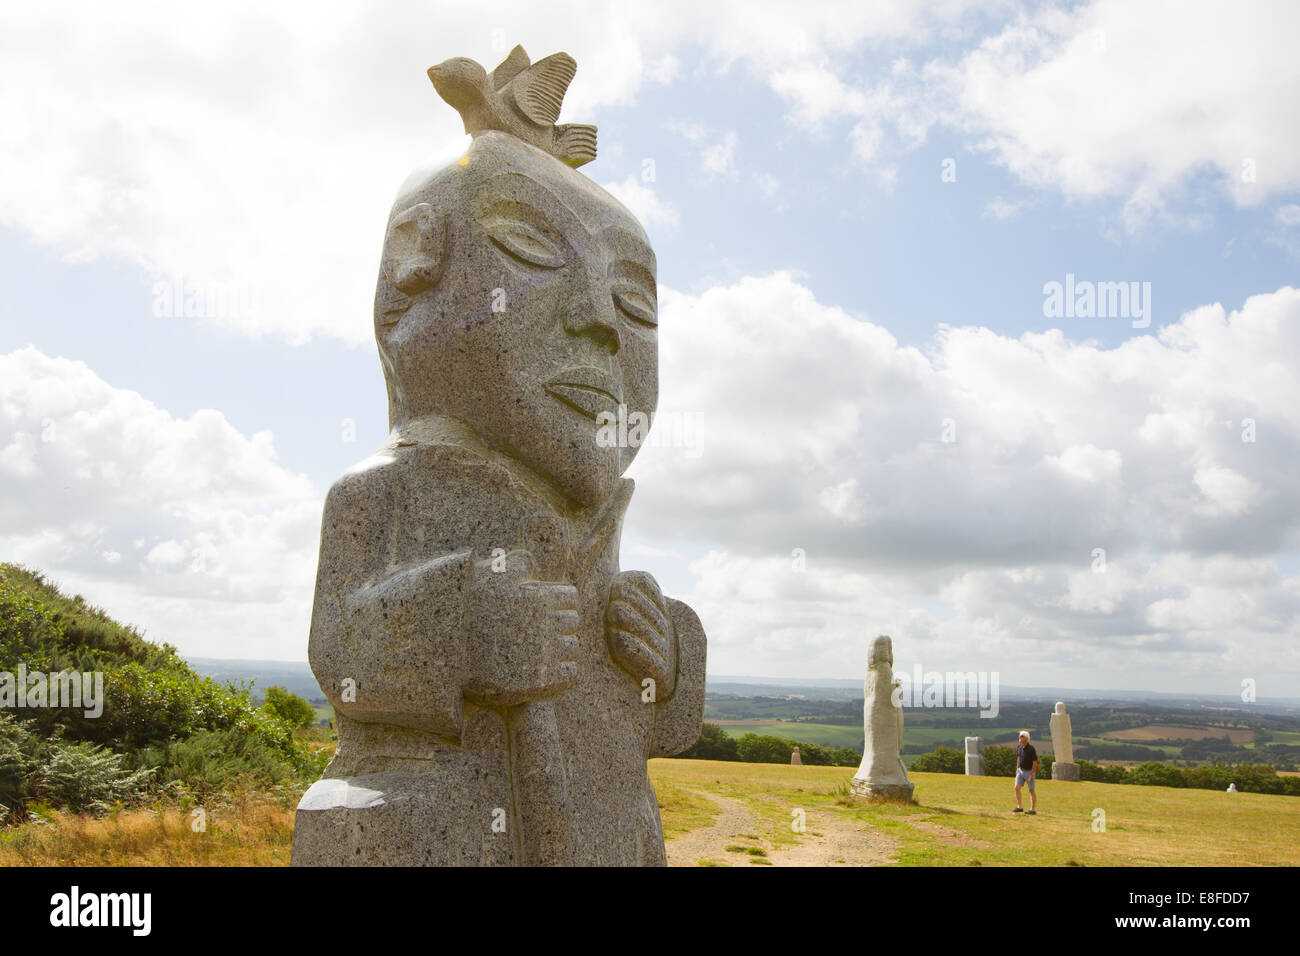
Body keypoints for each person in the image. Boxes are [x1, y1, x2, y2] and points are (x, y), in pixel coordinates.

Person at [1014, 730, 1038, 814]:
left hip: (1029, 772)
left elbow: (1035, 763)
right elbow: (1019, 758)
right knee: (1016, 788)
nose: (1019, 738)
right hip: (1020, 771)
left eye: (1022, 736)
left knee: (1031, 790)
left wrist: (1032, 774)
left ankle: (1032, 809)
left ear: (1026, 738)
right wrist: (1017, 769)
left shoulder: (1031, 749)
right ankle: (1019, 807)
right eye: (1020, 736)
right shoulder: (1019, 747)